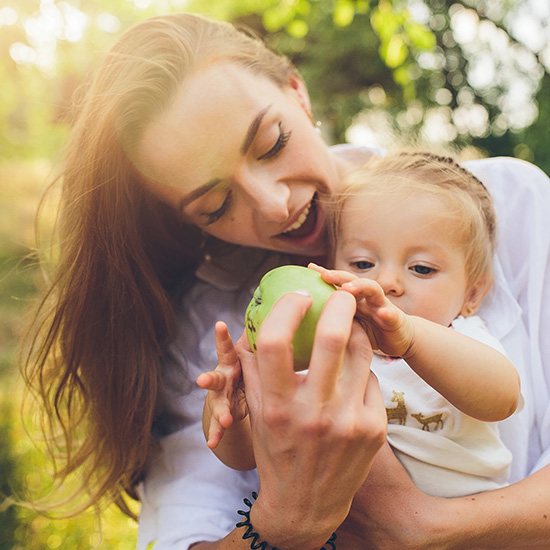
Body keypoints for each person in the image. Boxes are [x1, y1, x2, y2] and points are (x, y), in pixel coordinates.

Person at [21, 11, 550, 550]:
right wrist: (275, 512)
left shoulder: (501, 207)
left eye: (272, 143)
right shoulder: (219, 328)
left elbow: (500, 394)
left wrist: (426, 528)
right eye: (216, 204)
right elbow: (188, 526)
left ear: (298, 92)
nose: (276, 207)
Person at [199, 151, 522, 499]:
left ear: (473, 294)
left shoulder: (461, 339)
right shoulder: (319, 350)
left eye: (422, 268)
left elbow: (502, 399)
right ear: (331, 267)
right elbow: (245, 457)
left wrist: (411, 339)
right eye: (363, 262)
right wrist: (234, 409)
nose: (386, 281)